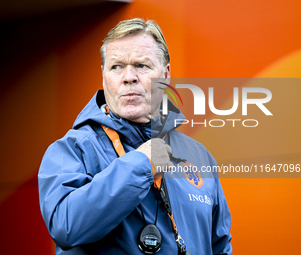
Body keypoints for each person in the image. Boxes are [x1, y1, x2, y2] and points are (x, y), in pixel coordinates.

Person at [38, 18, 232, 255]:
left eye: (142, 65)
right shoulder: (72, 150)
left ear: (166, 74)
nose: (128, 77)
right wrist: (140, 164)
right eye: (116, 67)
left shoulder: (200, 156)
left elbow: (220, 247)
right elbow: (65, 227)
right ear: (103, 76)